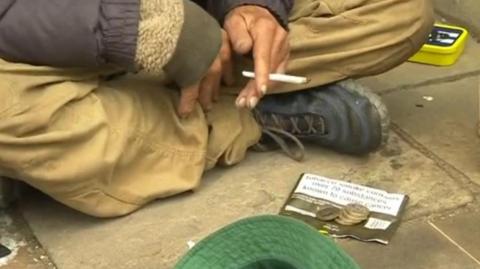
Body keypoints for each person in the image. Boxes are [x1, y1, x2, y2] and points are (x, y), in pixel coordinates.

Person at [0, 0, 433, 217]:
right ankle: (247, 119)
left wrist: (253, 7)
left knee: (401, 9)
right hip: (39, 48)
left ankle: (134, 126)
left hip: (194, 29)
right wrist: (136, 24)